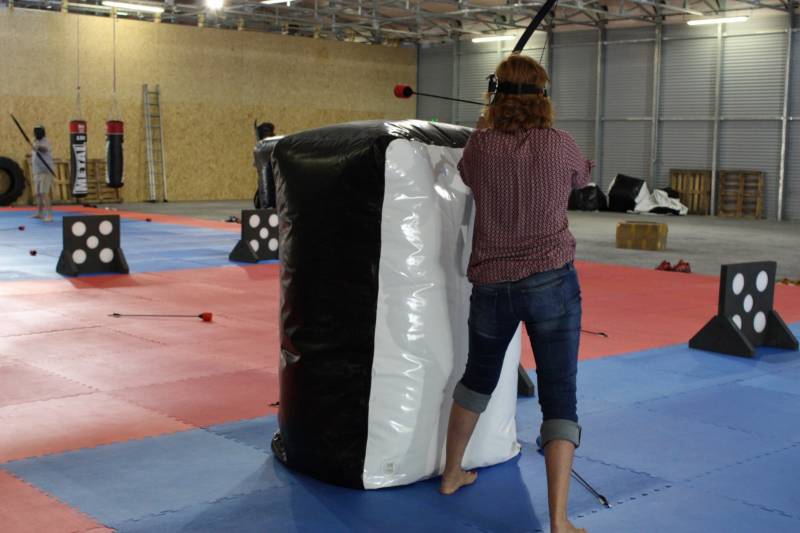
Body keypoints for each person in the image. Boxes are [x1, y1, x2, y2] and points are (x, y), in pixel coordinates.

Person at [440, 54, 593, 533]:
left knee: (476, 379)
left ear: (496, 95)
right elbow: (582, 178)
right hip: (552, 281)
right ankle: (560, 520)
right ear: (543, 99)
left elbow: (467, 173)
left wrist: (485, 122)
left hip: (492, 284)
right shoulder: (560, 145)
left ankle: (450, 474)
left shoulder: (480, 148)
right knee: (559, 394)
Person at [31, 125, 55, 222]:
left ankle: (49, 215)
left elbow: (44, 149)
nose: (34, 134)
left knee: (44, 193)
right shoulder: (35, 141)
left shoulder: (45, 141)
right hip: (37, 171)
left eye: (35, 132)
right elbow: (36, 152)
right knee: (38, 194)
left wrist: (37, 147)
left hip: (45, 171)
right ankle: (40, 213)